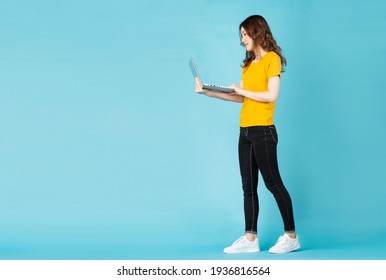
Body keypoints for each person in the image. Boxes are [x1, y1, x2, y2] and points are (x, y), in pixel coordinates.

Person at [195, 15, 300, 254]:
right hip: (245, 132)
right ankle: (250, 239)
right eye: (241, 35)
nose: (242, 39)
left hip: (264, 131)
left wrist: (241, 89)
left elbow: (270, 96)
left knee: (273, 183)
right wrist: (209, 93)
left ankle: (291, 236)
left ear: (257, 32)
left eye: (245, 33)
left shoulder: (271, 59)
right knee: (248, 187)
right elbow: (242, 97)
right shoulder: (249, 63)